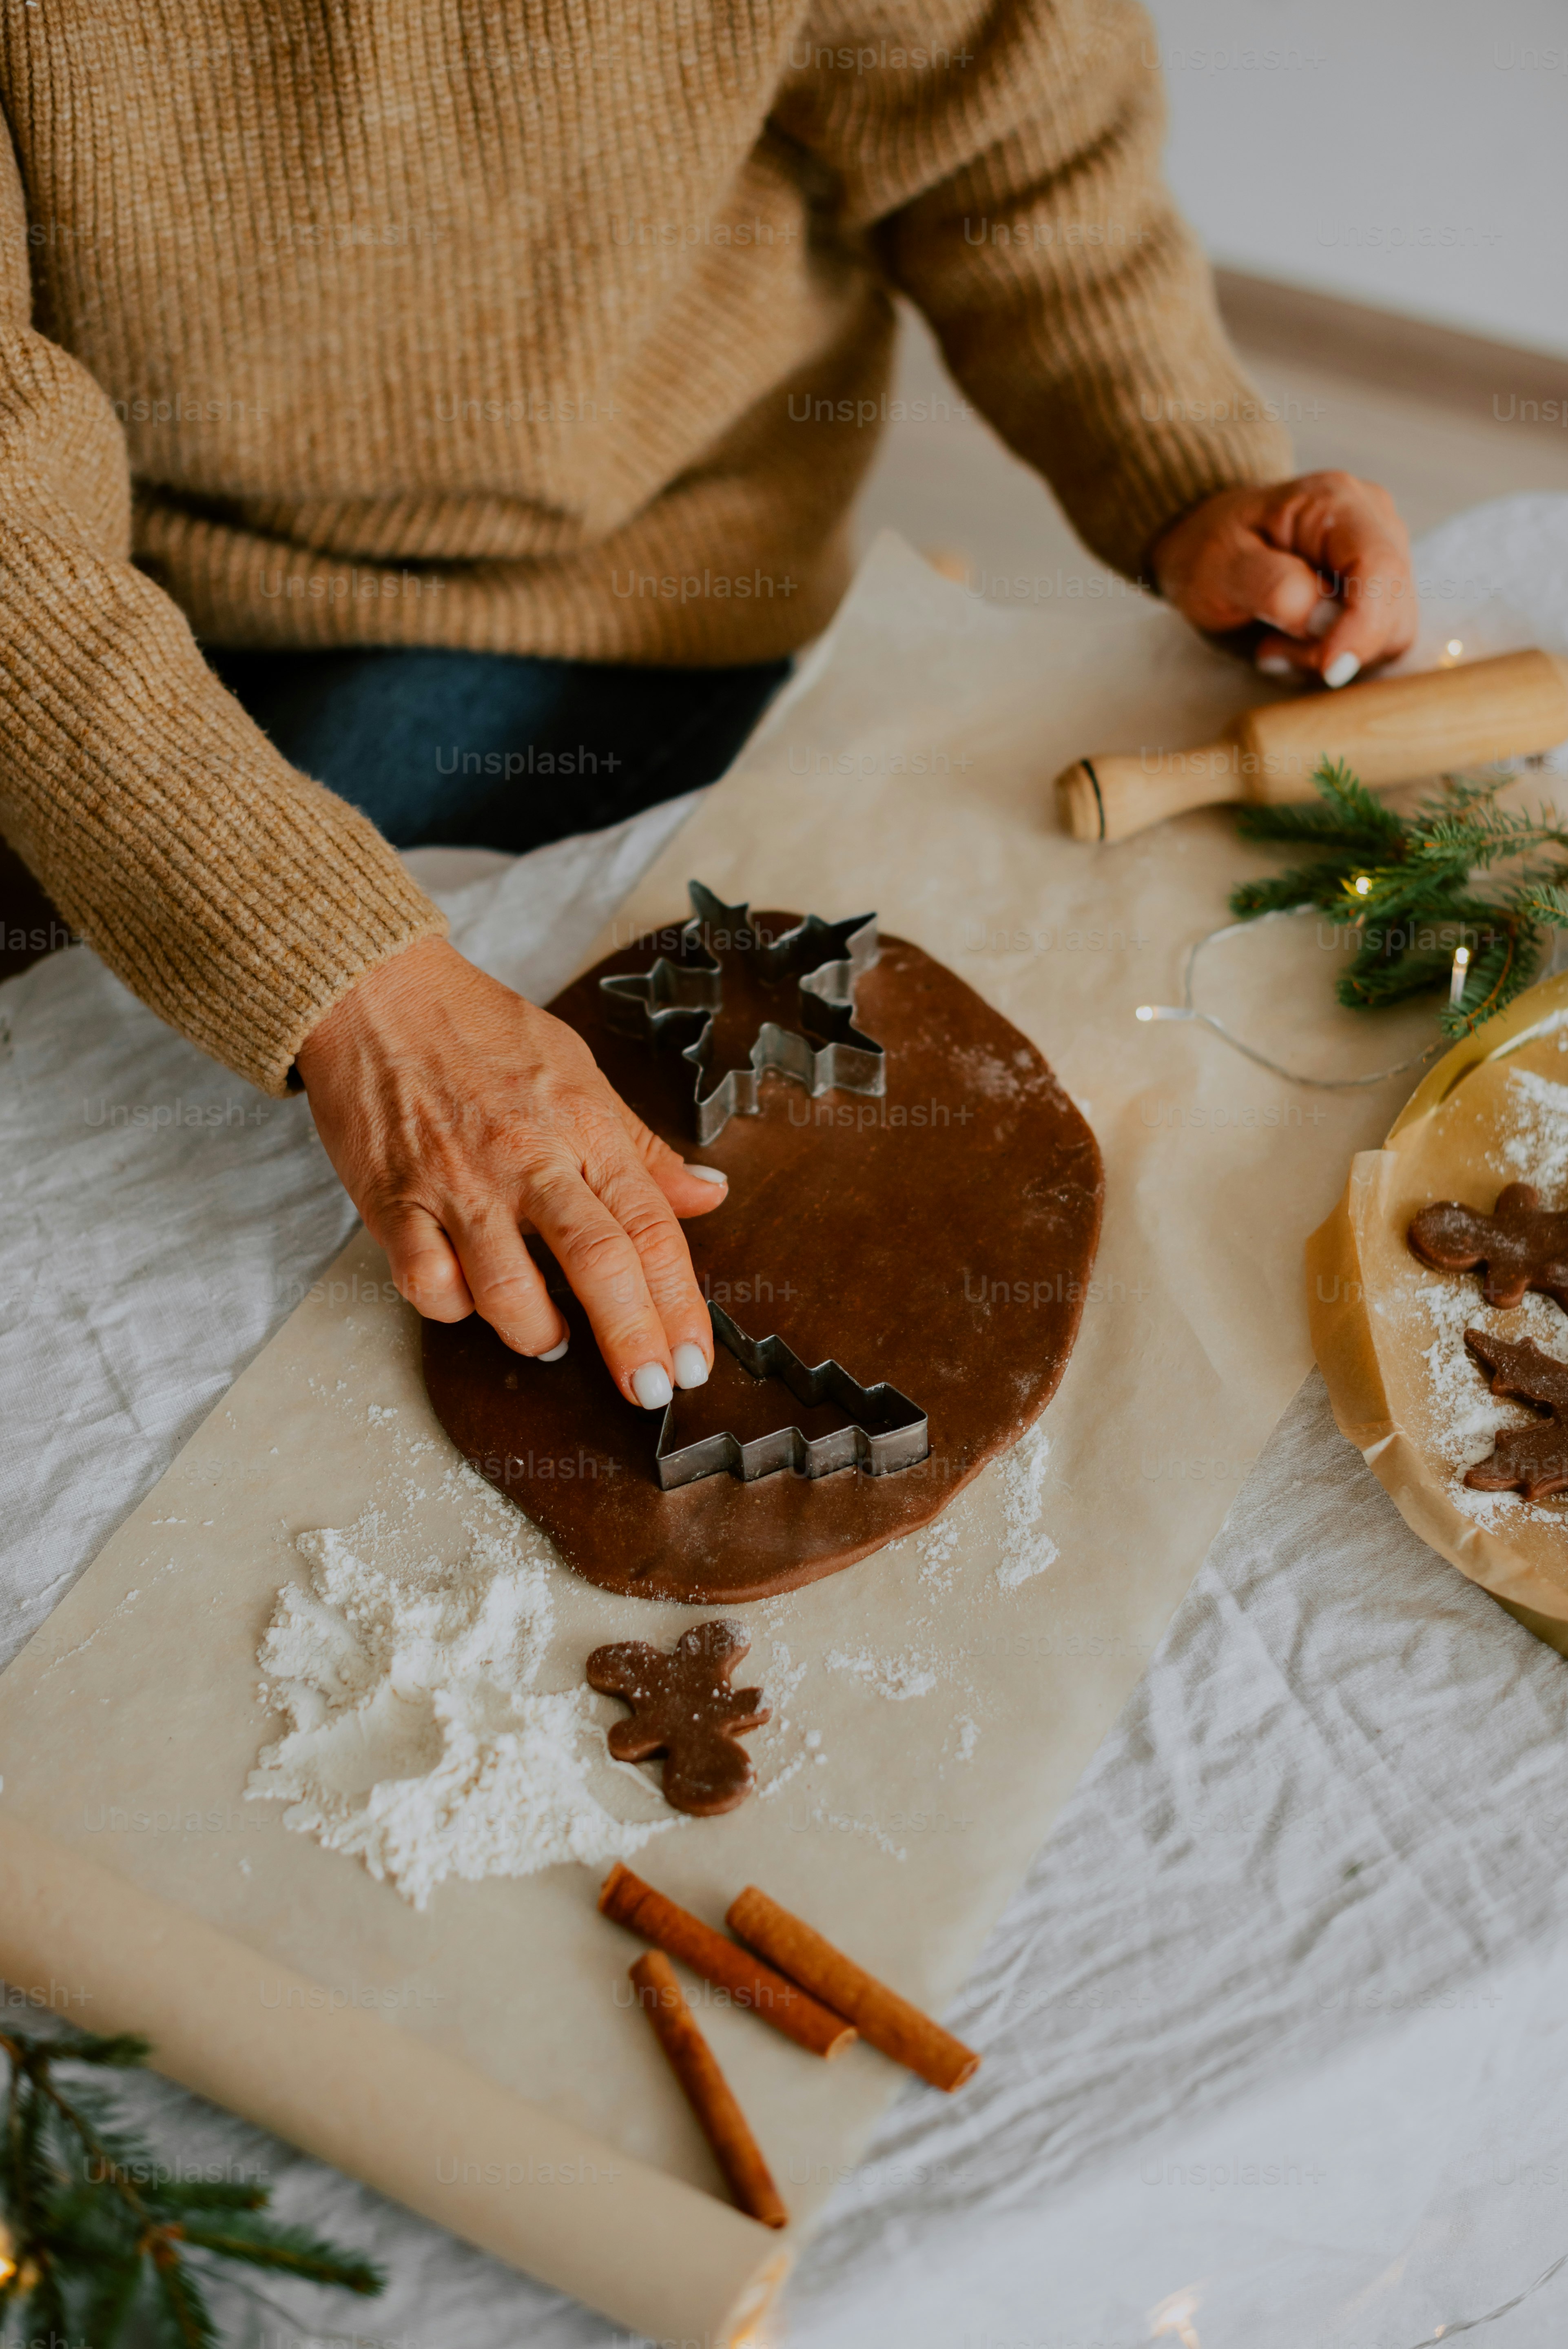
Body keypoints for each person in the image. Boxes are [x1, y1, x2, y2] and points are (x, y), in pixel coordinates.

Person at [0, 4, 1416, 1411]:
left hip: (659, 575)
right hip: (92, 575)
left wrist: (1177, 472)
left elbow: (1007, 142)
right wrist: (339, 971)